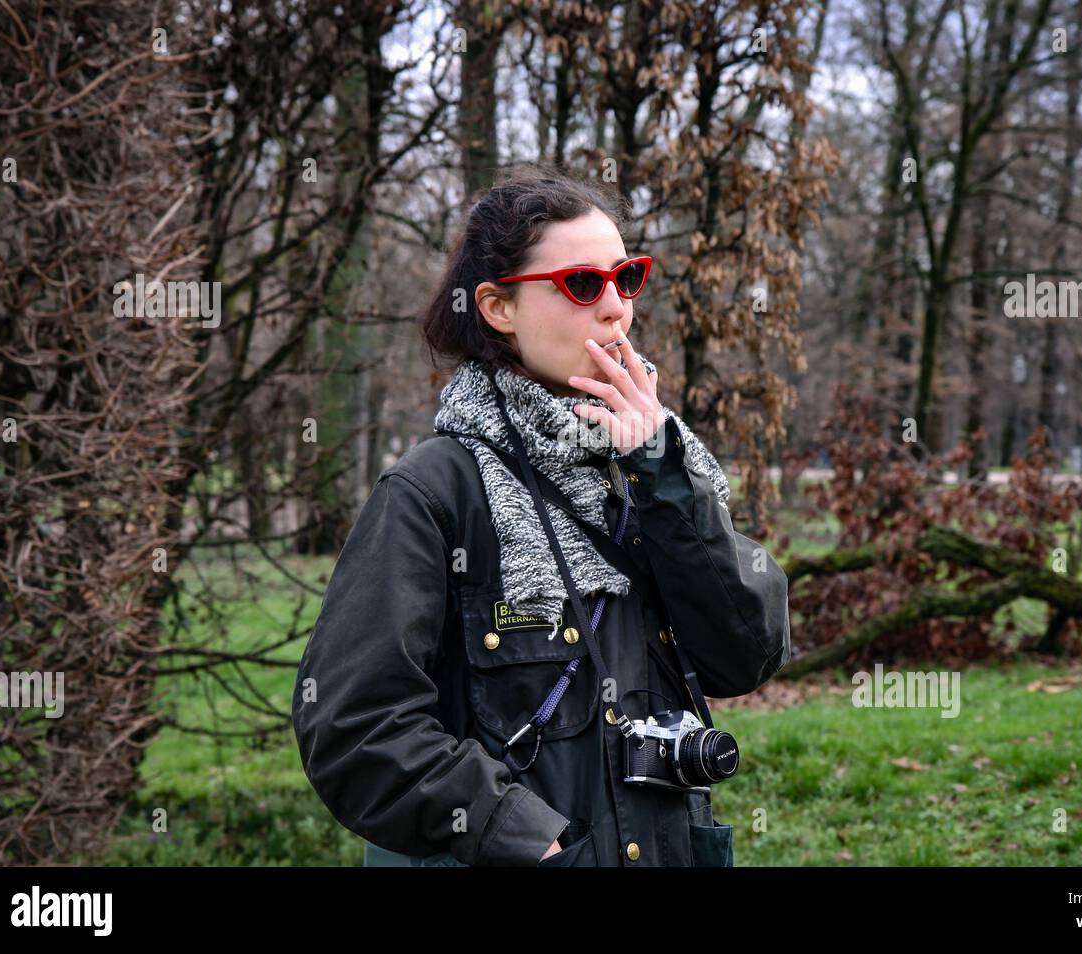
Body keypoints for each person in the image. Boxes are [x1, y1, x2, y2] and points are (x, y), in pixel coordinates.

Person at [290, 166, 792, 867]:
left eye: (629, 277)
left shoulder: (646, 476)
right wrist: (523, 836)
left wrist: (664, 472)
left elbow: (744, 653)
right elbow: (354, 725)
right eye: (583, 285)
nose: (615, 307)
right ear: (498, 307)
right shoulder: (436, 492)